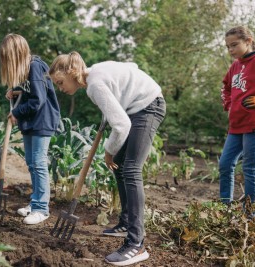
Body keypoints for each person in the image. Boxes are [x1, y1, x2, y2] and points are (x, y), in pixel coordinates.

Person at [49, 52, 166, 266]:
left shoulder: (94, 84)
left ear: (72, 72)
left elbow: (122, 126)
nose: (60, 88)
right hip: (137, 108)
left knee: (131, 169)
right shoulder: (95, 71)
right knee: (120, 167)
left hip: (148, 107)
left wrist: (108, 150)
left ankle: (136, 244)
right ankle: (126, 223)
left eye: (60, 82)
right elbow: (132, 65)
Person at [0, 33, 60, 225]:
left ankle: (42, 209)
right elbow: (32, 92)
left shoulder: (35, 66)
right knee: (32, 163)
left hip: (42, 121)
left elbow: (39, 100)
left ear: (16, 55)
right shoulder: (27, 70)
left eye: (8, 59)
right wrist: (16, 91)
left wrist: (17, 112)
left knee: (39, 163)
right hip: (32, 123)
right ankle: (35, 203)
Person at [219, 26, 255, 209]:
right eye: (228, 47)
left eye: (234, 45)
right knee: (224, 164)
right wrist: (229, 105)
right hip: (236, 126)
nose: (231, 50)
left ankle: (250, 213)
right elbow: (225, 88)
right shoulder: (235, 66)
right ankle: (224, 207)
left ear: (248, 41)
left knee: (250, 167)